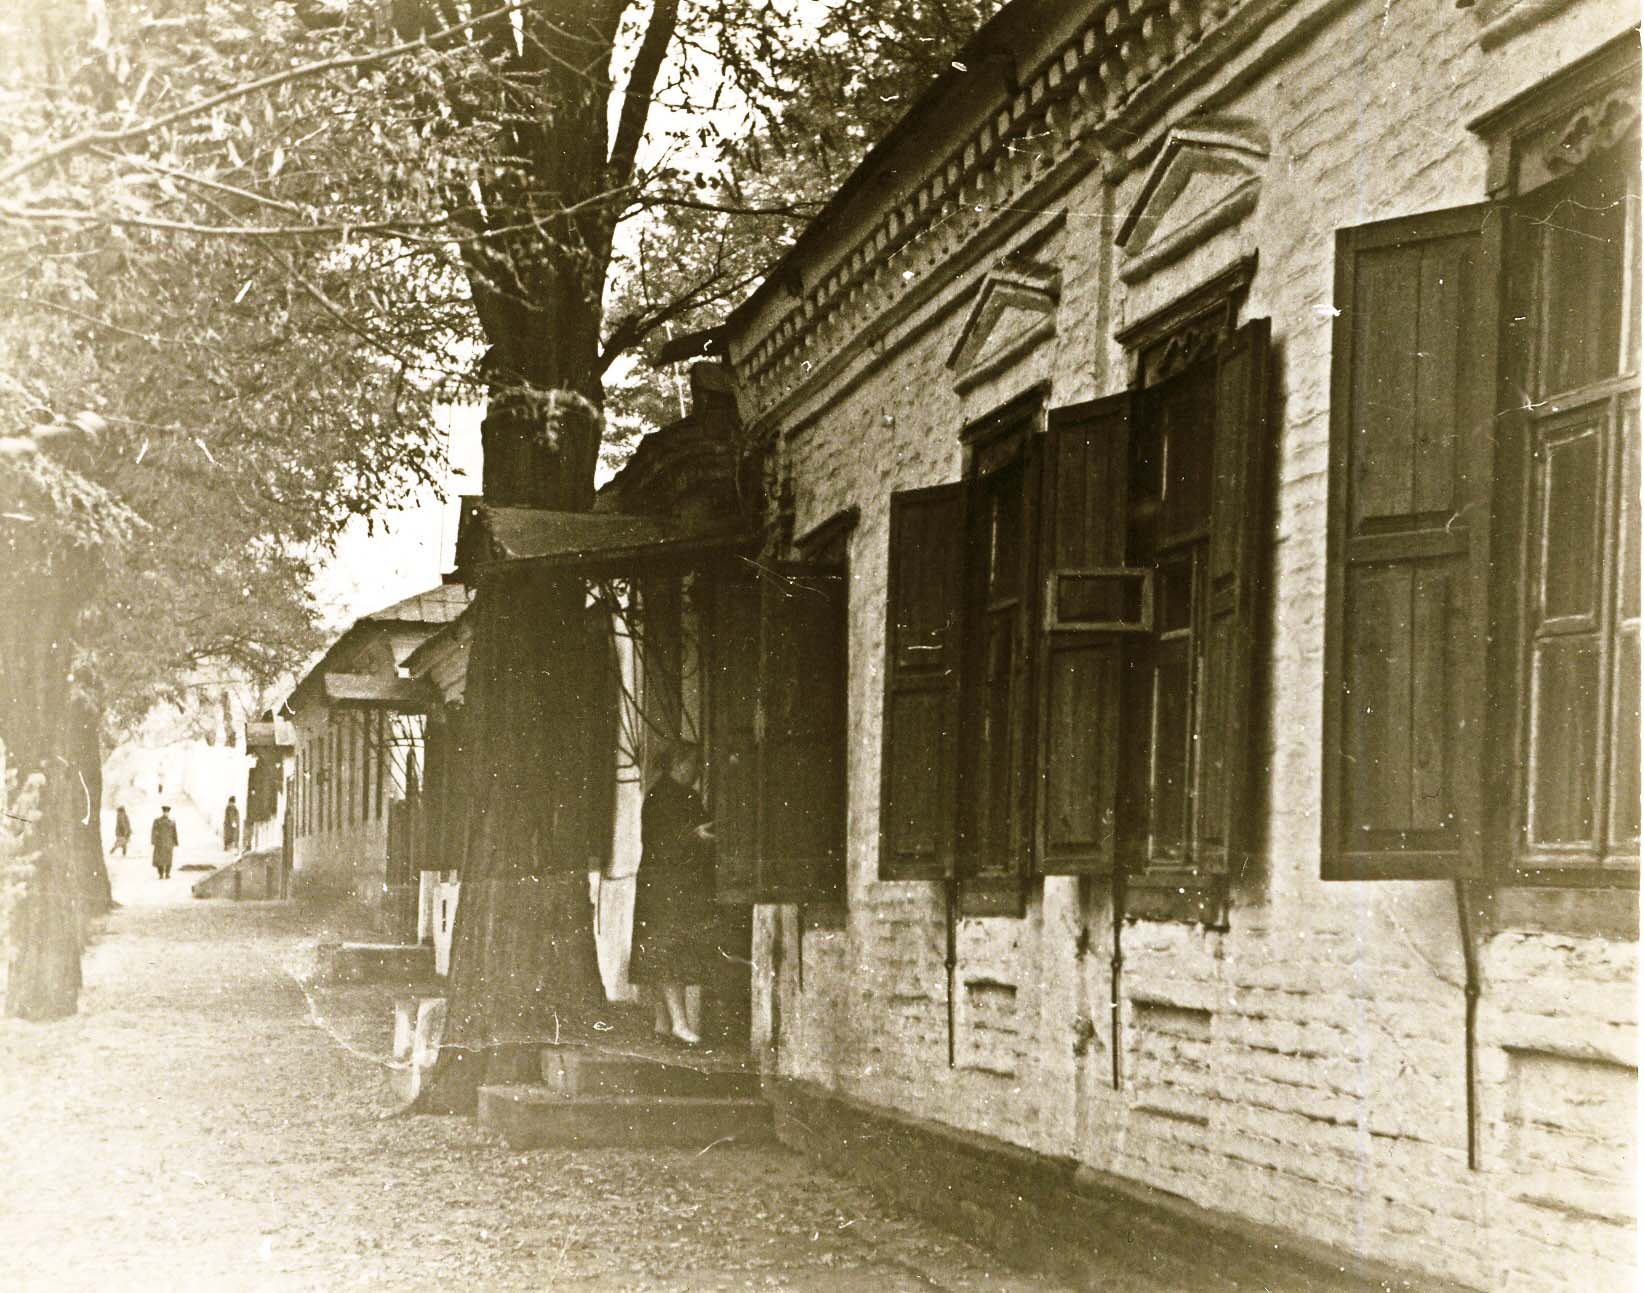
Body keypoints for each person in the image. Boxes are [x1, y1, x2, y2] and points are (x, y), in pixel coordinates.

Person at [629, 742, 719, 1046]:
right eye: (694, 764)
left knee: (663, 952)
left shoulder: (680, 795)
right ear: (679, 764)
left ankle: (663, 1022)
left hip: (670, 886)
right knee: (669, 953)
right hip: (666, 887)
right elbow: (665, 842)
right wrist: (697, 836)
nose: (697, 771)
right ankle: (679, 1023)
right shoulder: (662, 797)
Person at [151, 805, 179, 880]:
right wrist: (153, 841)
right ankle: (160, 874)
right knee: (159, 860)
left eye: (167, 812)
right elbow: (154, 831)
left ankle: (167, 873)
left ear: (168, 813)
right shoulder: (157, 821)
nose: (165, 813)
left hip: (169, 843)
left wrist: (176, 842)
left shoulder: (172, 821)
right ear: (162, 812)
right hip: (160, 843)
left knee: (169, 859)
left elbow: (174, 832)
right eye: (164, 812)